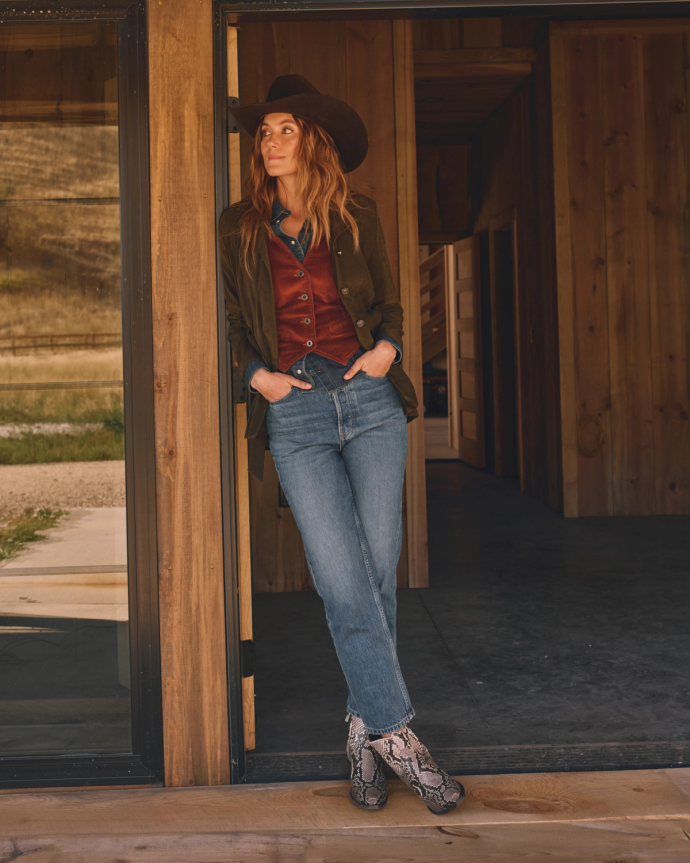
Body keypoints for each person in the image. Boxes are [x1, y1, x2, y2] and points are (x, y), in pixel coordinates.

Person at [219, 75, 465, 815]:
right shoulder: (237, 227)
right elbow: (230, 319)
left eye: (283, 129)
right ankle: (399, 737)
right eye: (263, 131)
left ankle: (361, 733)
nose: (269, 142)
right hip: (293, 414)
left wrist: (389, 347)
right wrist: (254, 374)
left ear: (313, 141)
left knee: (375, 573)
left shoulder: (357, 215)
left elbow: (390, 302)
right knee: (340, 577)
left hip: (367, 399)